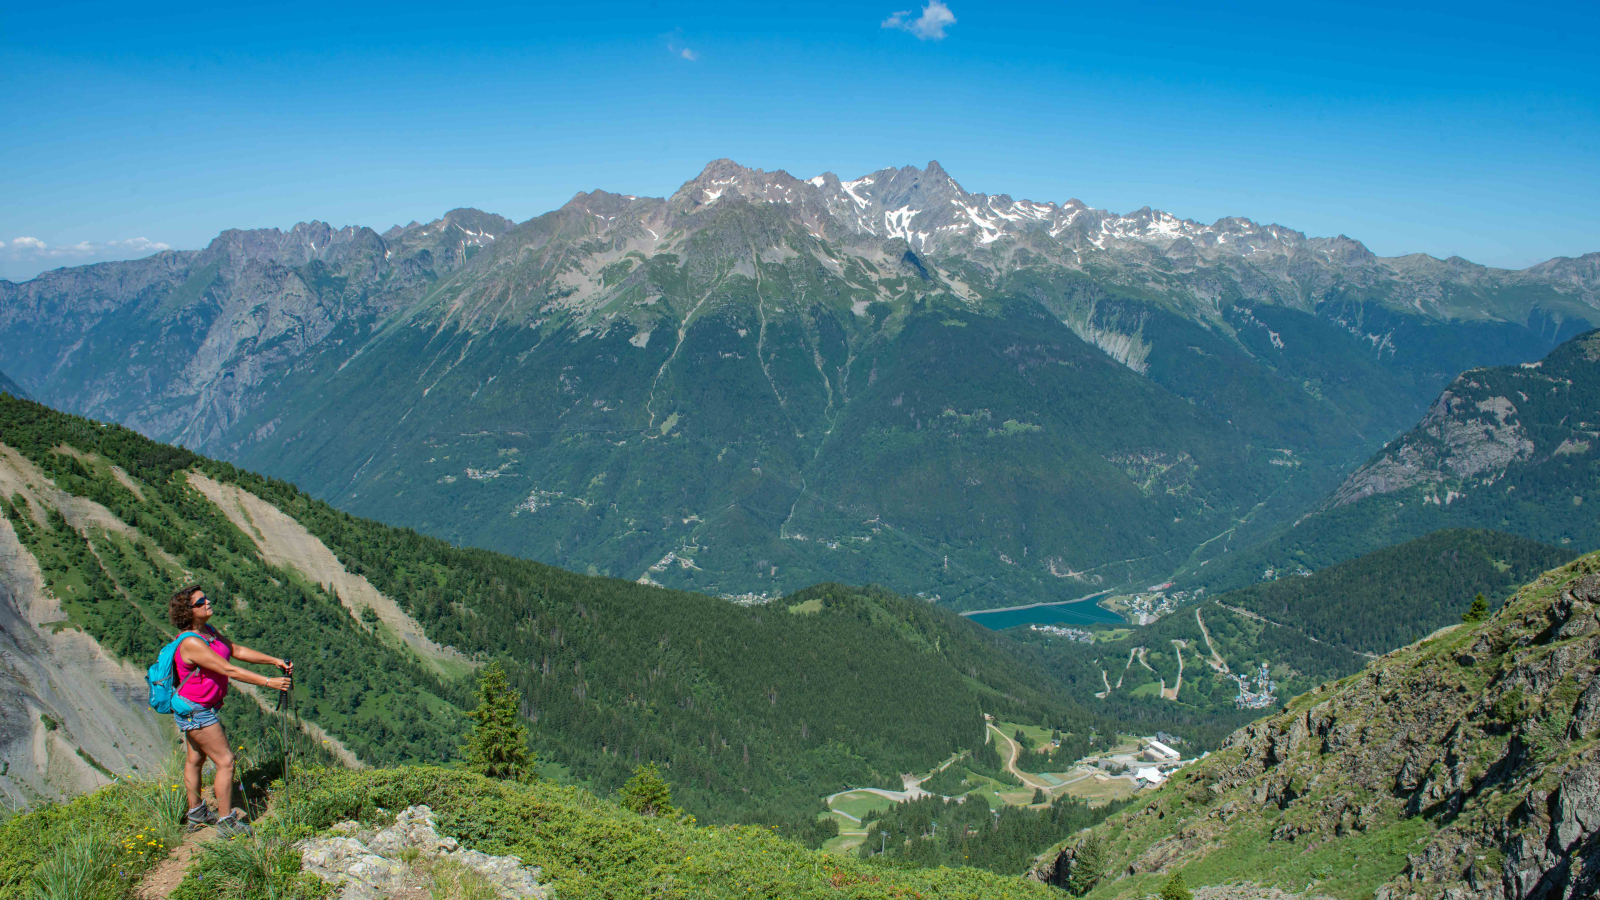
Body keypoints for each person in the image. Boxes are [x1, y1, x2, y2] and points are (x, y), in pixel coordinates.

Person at [167, 584, 292, 835]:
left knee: (196, 759)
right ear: (188, 612)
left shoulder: (208, 632)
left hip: (196, 708)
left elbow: (235, 651)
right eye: (200, 602)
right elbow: (228, 669)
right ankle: (227, 823)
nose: (207, 603)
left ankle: (197, 815)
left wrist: (273, 660)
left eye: (206, 599)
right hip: (197, 710)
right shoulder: (191, 642)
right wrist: (269, 682)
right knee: (226, 761)